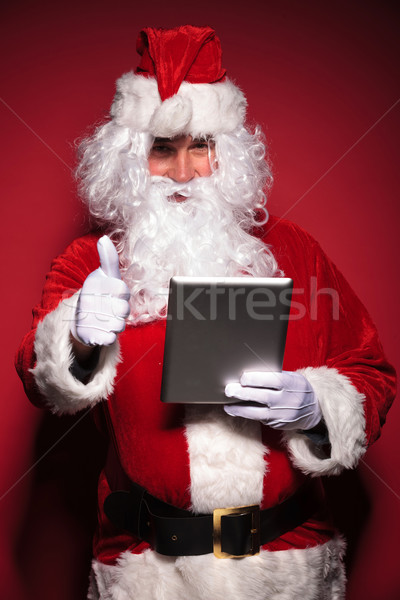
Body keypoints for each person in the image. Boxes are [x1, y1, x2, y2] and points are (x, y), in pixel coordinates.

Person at [15, 25, 396, 600]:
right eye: (162, 149)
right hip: (148, 572)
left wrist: (318, 408)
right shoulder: (94, 261)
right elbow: (34, 371)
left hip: (284, 569)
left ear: (228, 157)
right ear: (129, 160)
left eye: (201, 147)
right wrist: (77, 337)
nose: (184, 172)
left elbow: (370, 370)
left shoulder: (294, 250)